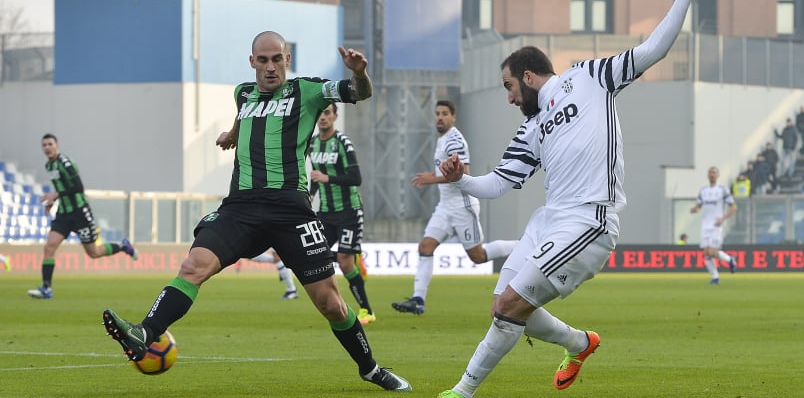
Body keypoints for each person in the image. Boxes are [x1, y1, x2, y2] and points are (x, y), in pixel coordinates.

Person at [435, 0, 707, 398]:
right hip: (549, 221)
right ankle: (579, 343)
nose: (507, 98)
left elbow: (652, 51)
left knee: (509, 307)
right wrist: (460, 178)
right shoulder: (531, 127)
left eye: (508, 87)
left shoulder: (589, 76)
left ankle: (463, 391)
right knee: (501, 307)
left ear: (527, 75)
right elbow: (500, 183)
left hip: (589, 221)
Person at [101, 32, 411, 392]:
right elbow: (242, 115)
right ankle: (145, 332)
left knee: (331, 304)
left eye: (276, 59)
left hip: (291, 211)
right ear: (252, 63)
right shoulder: (243, 93)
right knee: (193, 266)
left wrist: (359, 73)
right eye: (262, 60)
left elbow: (360, 93)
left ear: (287, 59)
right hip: (241, 207)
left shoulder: (307, 90)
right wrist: (232, 135)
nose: (270, 67)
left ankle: (370, 369)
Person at [391, 100, 517, 315]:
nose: (440, 117)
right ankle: (418, 300)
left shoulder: (454, 140)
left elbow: (463, 174)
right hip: (445, 207)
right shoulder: (442, 139)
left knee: (478, 256)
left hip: (462, 206)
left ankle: (518, 246)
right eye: (437, 113)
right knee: (426, 247)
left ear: (453, 117)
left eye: (444, 113)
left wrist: (430, 179)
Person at [28, 134, 137, 299]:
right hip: (63, 213)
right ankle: (46, 288)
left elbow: (78, 187)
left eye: (50, 144)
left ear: (57, 145)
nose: (47, 147)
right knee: (49, 247)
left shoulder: (65, 162)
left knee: (94, 252)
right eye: (44, 145)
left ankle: (123, 247)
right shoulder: (49, 166)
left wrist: (55, 195)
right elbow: (60, 187)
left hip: (80, 213)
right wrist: (52, 202)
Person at [308, 102, 376, 324]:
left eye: (327, 113)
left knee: (345, 263)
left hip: (349, 212)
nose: (323, 117)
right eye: (320, 113)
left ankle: (367, 310)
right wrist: (309, 197)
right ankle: (353, 256)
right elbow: (317, 176)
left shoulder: (343, 143)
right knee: (314, 254)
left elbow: (356, 178)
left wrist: (328, 178)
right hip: (325, 213)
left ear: (335, 116)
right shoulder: (313, 144)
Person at [689, 166, 738, 285]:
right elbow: (699, 205)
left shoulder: (723, 189)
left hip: (716, 224)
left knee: (711, 252)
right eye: (710, 173)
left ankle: (730, 259)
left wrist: (723, 218)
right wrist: (695, 209)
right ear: (708, 175)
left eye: (714, 173)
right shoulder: (703, 190)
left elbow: (733, 207)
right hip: (705, 225)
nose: (712, 175)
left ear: (718, 175)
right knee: (706, 253)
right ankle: (715, 277)